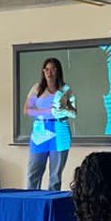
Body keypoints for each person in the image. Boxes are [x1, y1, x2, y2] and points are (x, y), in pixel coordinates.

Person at [23, 57, 76, 191]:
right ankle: (32, 202)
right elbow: (27, 110)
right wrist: (48, 111)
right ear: (43, 71)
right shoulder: (37, 88)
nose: (49, 72)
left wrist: (62, 110)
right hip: (41, 130)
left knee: (55, 175)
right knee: (33, 171)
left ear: (58, 71)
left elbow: (74, 112)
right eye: (46, 69)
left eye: (52, 69)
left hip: (60, 130)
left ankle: (52, 205)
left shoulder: (65, 89)